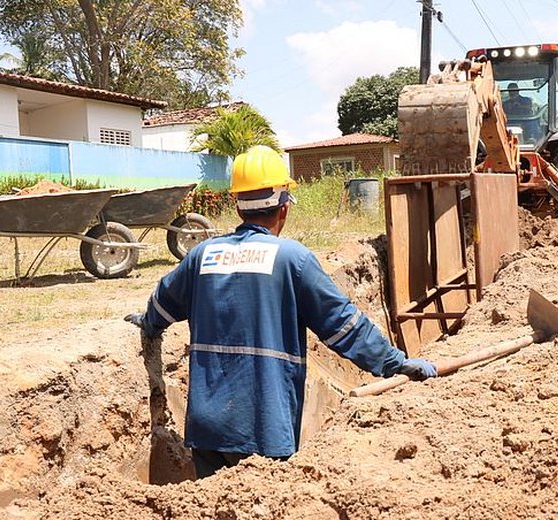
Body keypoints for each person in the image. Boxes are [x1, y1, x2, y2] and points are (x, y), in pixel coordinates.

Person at [124, 145, 437, 479]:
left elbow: (162, 302)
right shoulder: (293, 260)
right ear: (283, 207)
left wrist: (148, 324)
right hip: (265, 425)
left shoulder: (204, 255)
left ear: (237, 204)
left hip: (208, 426)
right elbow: (343, 326)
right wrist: (394, 363)